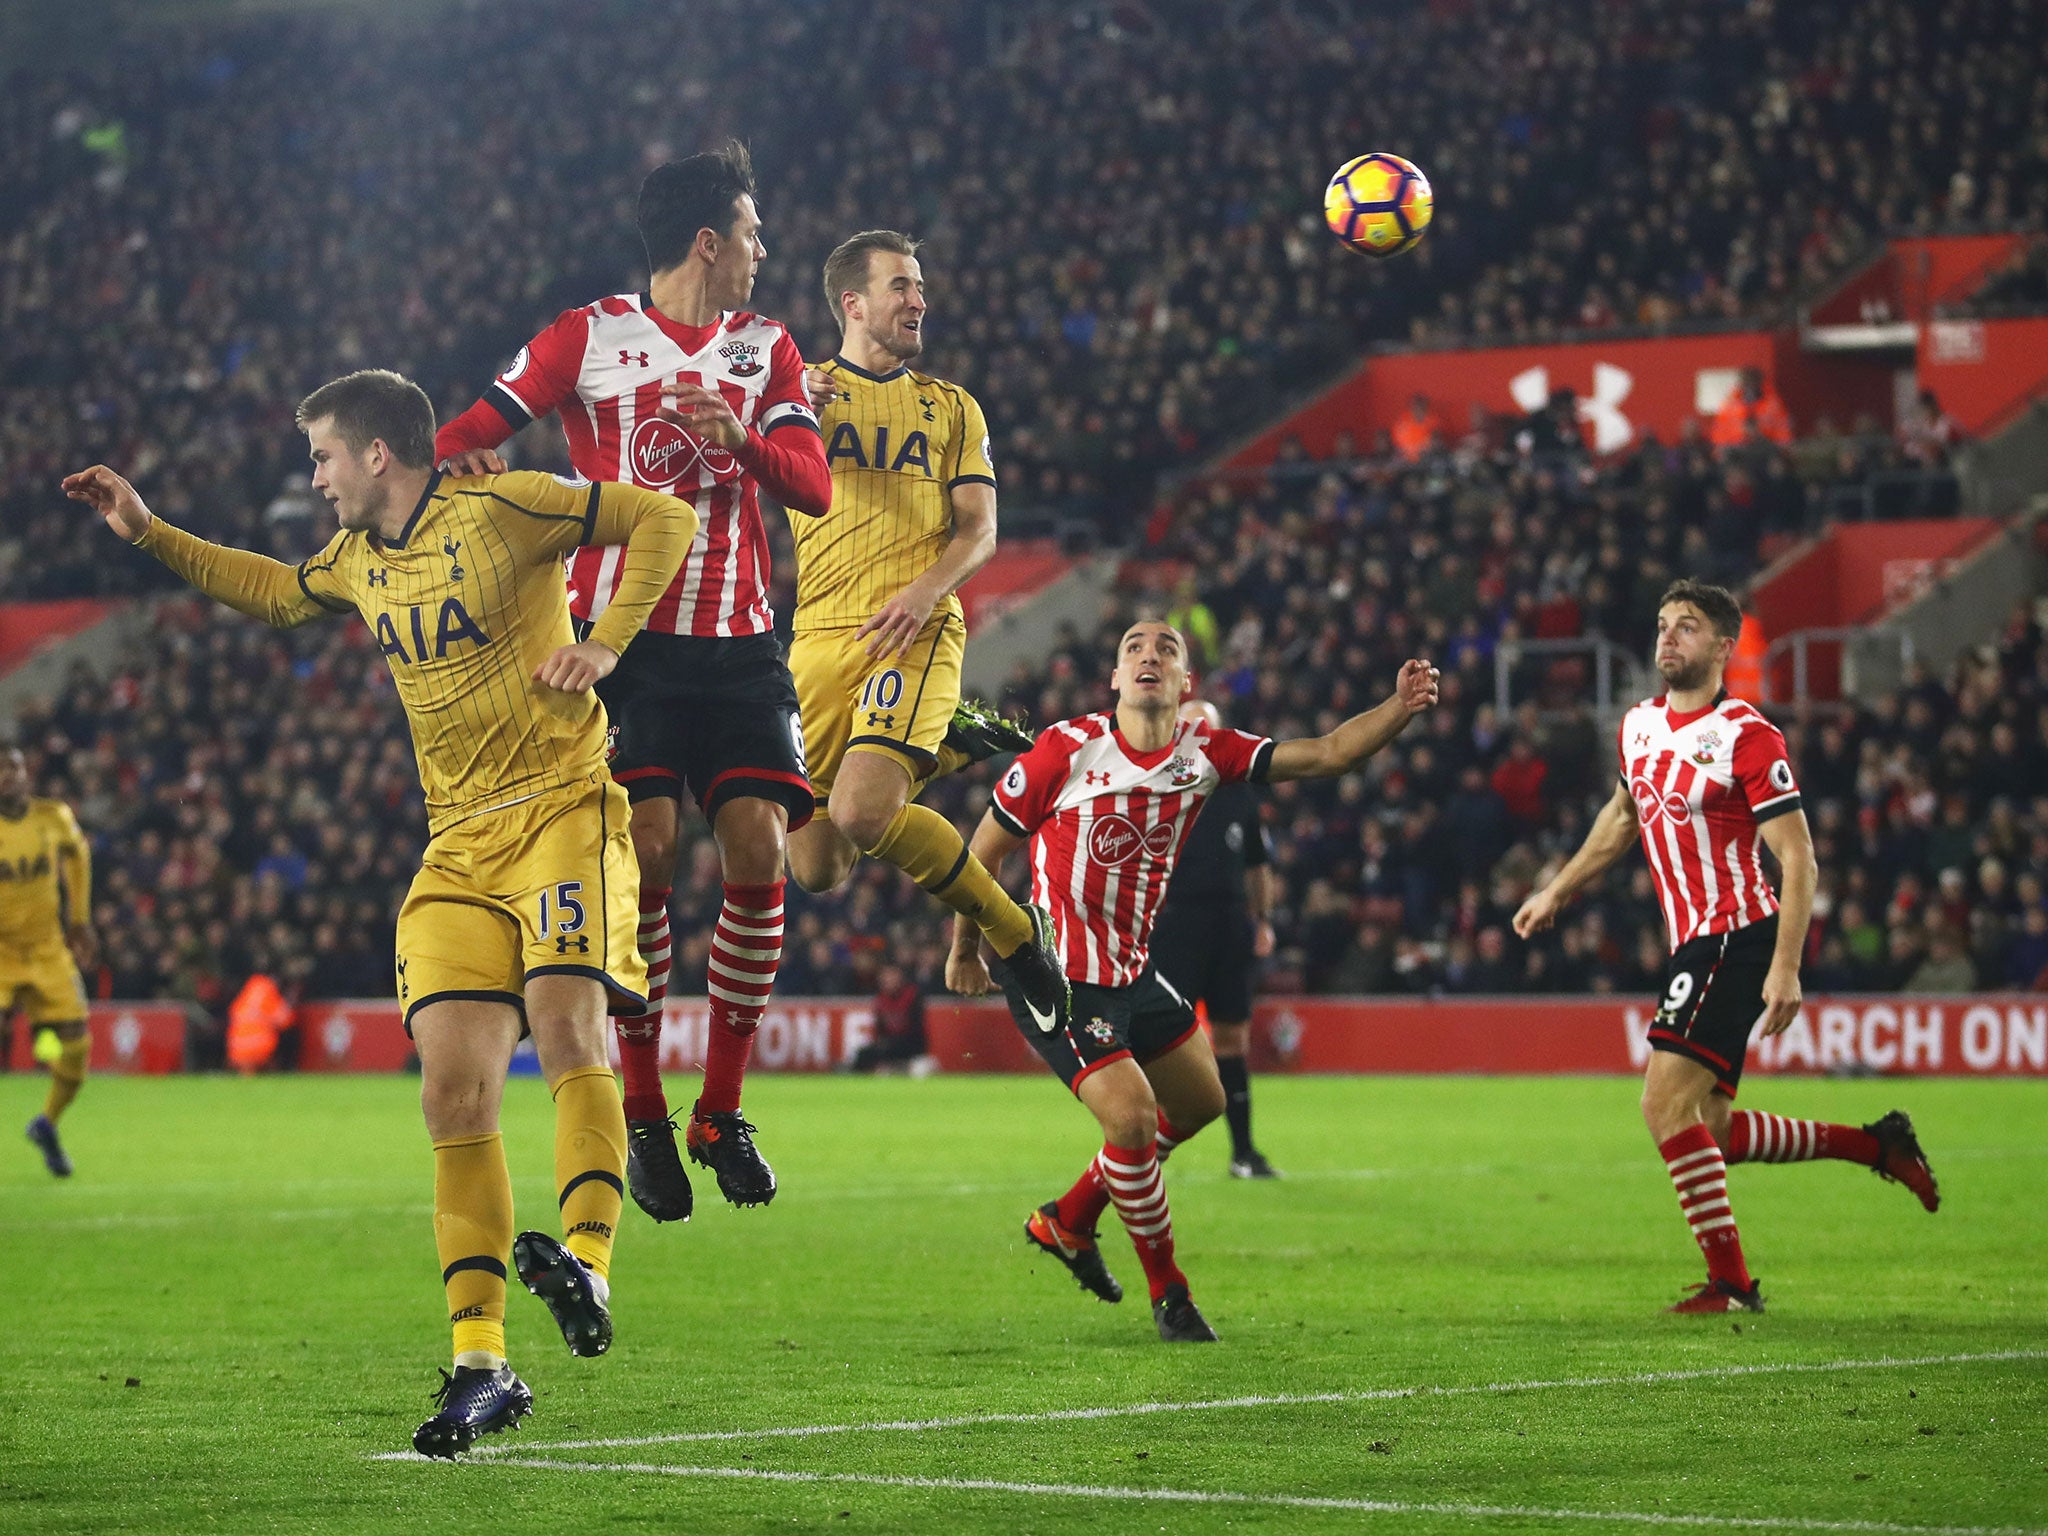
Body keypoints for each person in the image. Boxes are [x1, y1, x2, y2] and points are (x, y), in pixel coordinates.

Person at [65, 366, 697, 1456]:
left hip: (561, 810)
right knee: (453, 1096)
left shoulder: (504, 507)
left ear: (375, 455)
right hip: (455, 846)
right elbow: (269, 590)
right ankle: (481, 1366)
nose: (314, 480)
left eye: (321, 457)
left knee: (562, 1023)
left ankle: (588, 1268)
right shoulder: (356, 560)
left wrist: (608, 641)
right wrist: (149, 531)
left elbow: (662, 516)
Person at [435, 143, 833, 1221]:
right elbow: (468, 429)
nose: (761, 251)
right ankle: (648, 1110)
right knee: (647, 854)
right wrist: (467, 467)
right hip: (627, 645)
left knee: (759, 849)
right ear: (710, 241)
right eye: (752, 233)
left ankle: (721, 1111)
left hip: (743, 643)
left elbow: (815, 489)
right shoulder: (587, 335)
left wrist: (741, 441)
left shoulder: (767, 351)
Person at [949, 620, 1438, 1342]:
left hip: (1133, 971)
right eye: (1134, 648)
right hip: (1058, 976)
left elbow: (1329, 754)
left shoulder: (1206, 752)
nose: (1150, 655)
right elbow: (980, 852)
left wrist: (1398, 708)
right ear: (1115, 678)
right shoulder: (1065, 747)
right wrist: (965, 949)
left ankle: (1071, 1220)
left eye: (1167, 649)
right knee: (1134, 1119)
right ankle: (1169, 1293)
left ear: (1187, 685)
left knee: (1202, 1102)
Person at [1513, 579, 1939, 1316]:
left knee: (1662, 1105)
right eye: (1662, 624)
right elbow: (1622, 818)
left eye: (1686, 626)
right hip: (1695, 944)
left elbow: (1798, 856)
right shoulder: (1638, 726)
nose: (1668, 638)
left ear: (1721, 645)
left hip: (1735, 935)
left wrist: (1785, 965)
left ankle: (1733, 1285)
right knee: (1707, 1127)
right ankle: (1878, 1145)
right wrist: (1557, 889)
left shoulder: (1747, 734)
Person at [783, 230, 1070, 1040]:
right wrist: (775, 406)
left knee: (869, 812)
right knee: (817, 867)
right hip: (815, 640)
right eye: (902, 286)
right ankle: (946, 745)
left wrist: (921, 593)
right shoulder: (792, 391)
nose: (919, 300)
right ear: (854, 302)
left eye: (919, 287)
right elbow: (721, 448)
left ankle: (1018, 936)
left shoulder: (950, 406)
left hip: (913, 626)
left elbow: (980, 530)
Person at [1147, 700, 1281, 1179]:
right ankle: (1144, 1151)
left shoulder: (1239, 794)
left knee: (1231, 1037)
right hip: (1175, 922)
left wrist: (1262, 919)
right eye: (1190, 728)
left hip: (1228, 924)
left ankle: (1244, 1153)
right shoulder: (1157, 785)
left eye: (1207, 729)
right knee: (1162, 1041)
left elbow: (1257, 866)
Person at [1, 747, 98, 1178]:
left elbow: (78, 857)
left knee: (77, 1043)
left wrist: (80, 920)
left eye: (15, 767)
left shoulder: (53, 816)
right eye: (1, 770)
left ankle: (46, 1124)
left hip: (47, 949)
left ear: (26, 773)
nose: (9, 776)